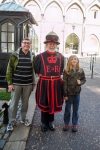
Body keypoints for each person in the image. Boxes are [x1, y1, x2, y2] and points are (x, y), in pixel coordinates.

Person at [34, 32, 64, 132]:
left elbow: (61, 70)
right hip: (45, 83)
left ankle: (51, 122)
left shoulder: (60, 56)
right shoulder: (40, 56)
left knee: (53, 102)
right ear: (46, 44)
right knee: (45, 102)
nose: (52, 45)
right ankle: (43, 122)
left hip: (55, 83)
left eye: (54, 44)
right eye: (50, 43)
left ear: (56, 45)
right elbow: (37, 69)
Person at [6, 37, 36, 131]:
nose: (26, 44)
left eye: (28, 43)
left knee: (25, 103)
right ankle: (11, 121)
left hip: (27, 83)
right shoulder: (14, 55)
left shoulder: (32, 55)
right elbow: (9, 69)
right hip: (16, 83)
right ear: (21, 44)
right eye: (25, 43)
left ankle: (23, 119)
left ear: (30, 45)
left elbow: (33, 70)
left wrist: (33, 82)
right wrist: (10, 83)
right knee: (14, 103)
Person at [63, 55, 86, 132]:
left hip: (77, 93)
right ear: (69, 61)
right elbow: (64, 83)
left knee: (76, 110)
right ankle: (66, 123)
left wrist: (81, 82)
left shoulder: (80, 70)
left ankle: (74, 123)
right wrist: (65, 94)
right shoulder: (66, 71)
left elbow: (84, 79)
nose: (74, 60)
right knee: (68, 109)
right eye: (72, 59)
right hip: (69, 94)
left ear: (77, 61)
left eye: (75, 59)